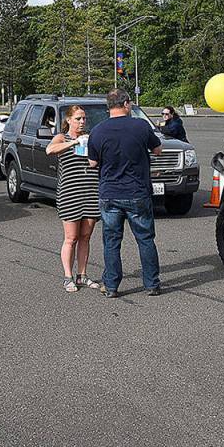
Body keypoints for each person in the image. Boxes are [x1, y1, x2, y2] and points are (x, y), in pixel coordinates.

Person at [87, 89, 162, 298]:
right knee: (145, 239)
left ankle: (111, 286)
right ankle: (152, 284)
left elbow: (92, 162)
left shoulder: (98, 131)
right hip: (137, 191)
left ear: (108, 106)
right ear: (126, 104)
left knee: (111, 241)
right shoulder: (140, 126)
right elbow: (157, 150)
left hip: (110, 193)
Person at [45, 106, 102, 293]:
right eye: (78, 118)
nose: (82, 122)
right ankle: (67, 277)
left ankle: (82, 275)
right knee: (71, 237)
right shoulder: (63, 138)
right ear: (69, 120)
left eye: (84, 118)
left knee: (86, 236)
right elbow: (50, 149)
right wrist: (73, 143)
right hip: (70, 193)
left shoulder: (90, 138)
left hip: (91, 192)